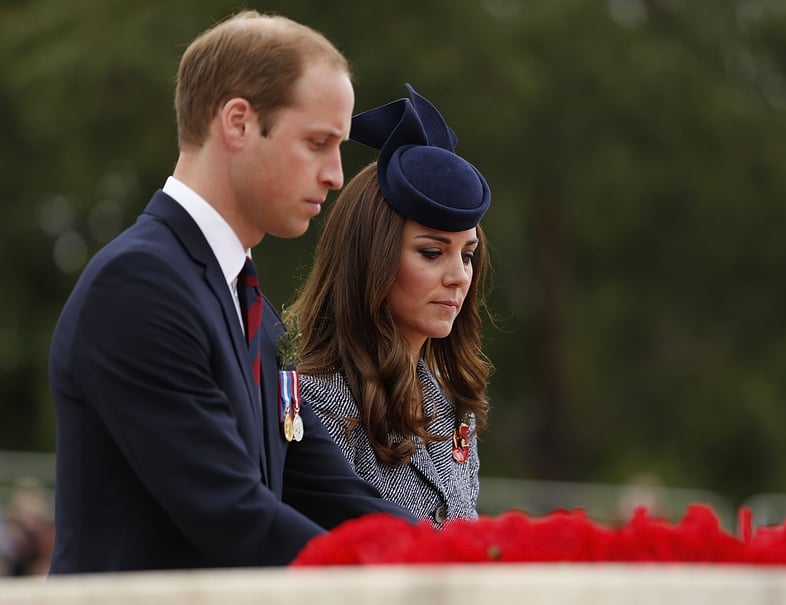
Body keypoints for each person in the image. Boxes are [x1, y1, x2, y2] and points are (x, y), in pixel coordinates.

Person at [47, 10, 414, 574]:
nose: (337, 175)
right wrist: (411, 585)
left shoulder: (248, 306)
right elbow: (235, 517)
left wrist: (471, 560)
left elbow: (341, 501)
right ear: (238, 122)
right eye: (318, 143)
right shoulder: (138, 289)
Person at [290, 84, 493, 527]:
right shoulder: (314, 403)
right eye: (431, 252)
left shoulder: (451, 402)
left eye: (468, 253)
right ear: (372, 257)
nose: (459, 275)